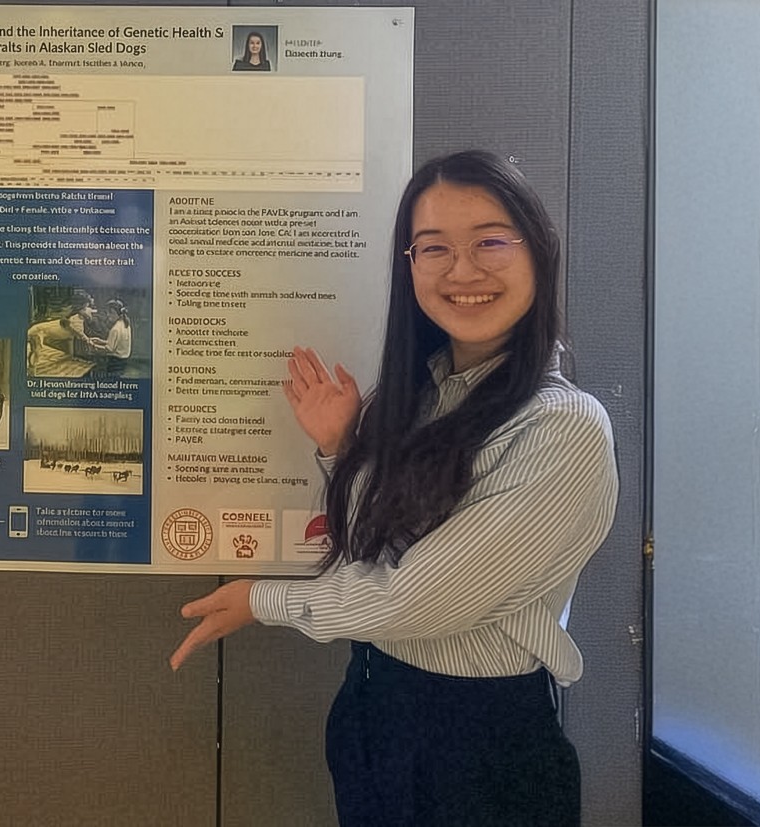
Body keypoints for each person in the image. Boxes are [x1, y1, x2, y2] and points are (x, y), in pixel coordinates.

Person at [169, 150, 617, 826]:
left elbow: (418, 599)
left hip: (478, 745)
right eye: (434, 248)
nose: (462, 271)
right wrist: (342, 447)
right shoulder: (420, 397)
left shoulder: (563, 426)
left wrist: (265, 599)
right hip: (374, 702)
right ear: (410, 265)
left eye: (490, 241)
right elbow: (372, 547)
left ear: (539, 251)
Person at [92, 299, 132, 377]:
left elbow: (109, 348)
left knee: (111, 378)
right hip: (123, 360)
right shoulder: (126, 325)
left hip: (115, 361)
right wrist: (100, 341)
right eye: (107, 312)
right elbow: (116, 342)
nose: (108, 315)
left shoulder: (115, 329)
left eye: (111, 313)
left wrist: (94, 345)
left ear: (118, 314)